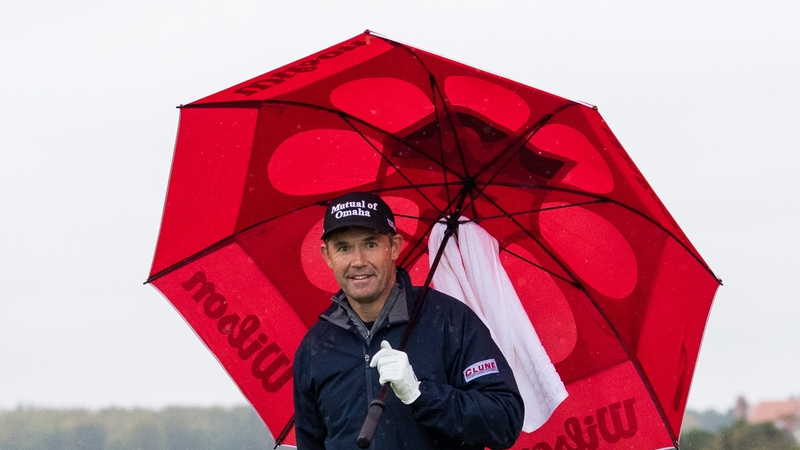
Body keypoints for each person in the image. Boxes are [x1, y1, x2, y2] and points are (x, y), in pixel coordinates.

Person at [293, 191, 524, 450]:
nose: (358, 261)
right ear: (327, 256)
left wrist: (419, 394)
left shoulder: (450, 321)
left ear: (394, 246)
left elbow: (504, 420)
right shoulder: (316, 347)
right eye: (343, 248)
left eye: (370, 244)